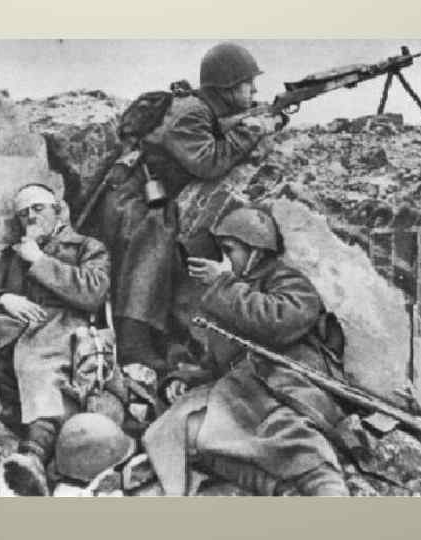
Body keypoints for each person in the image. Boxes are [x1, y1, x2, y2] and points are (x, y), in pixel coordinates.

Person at [97, 42, 286, 377]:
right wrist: (255, 129)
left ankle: (165, 339)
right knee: (154, 237)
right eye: (248, 84)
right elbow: (209, 162)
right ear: (228, 88)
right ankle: (133, 343)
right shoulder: (191, 113)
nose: (254, 90)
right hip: (132, 198)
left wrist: (263, 116)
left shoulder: (202, 108)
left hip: (149, 191)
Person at [143, 207, 350, 496]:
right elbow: (219, 364)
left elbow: (281, 321)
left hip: (282, 384)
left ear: (256, 251)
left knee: (286, 435)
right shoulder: (228, 291)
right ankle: (281, 491)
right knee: (180, 432)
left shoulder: (283, 280)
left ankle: (327, 491)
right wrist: (184, 380)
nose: (223, 258)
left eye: (230, 250)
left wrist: (223, 284)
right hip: (239, 390)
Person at [0, 184, 111, 495]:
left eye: (38, 209)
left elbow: (94, 291)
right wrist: (3, 298)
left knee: (38, 364)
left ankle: (33, 454)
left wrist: (39, 261)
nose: (32, 218)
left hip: (65, 325)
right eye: (24, 214)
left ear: (58, 210)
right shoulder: (12, 256)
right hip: (16, 329)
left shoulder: (86, 247)